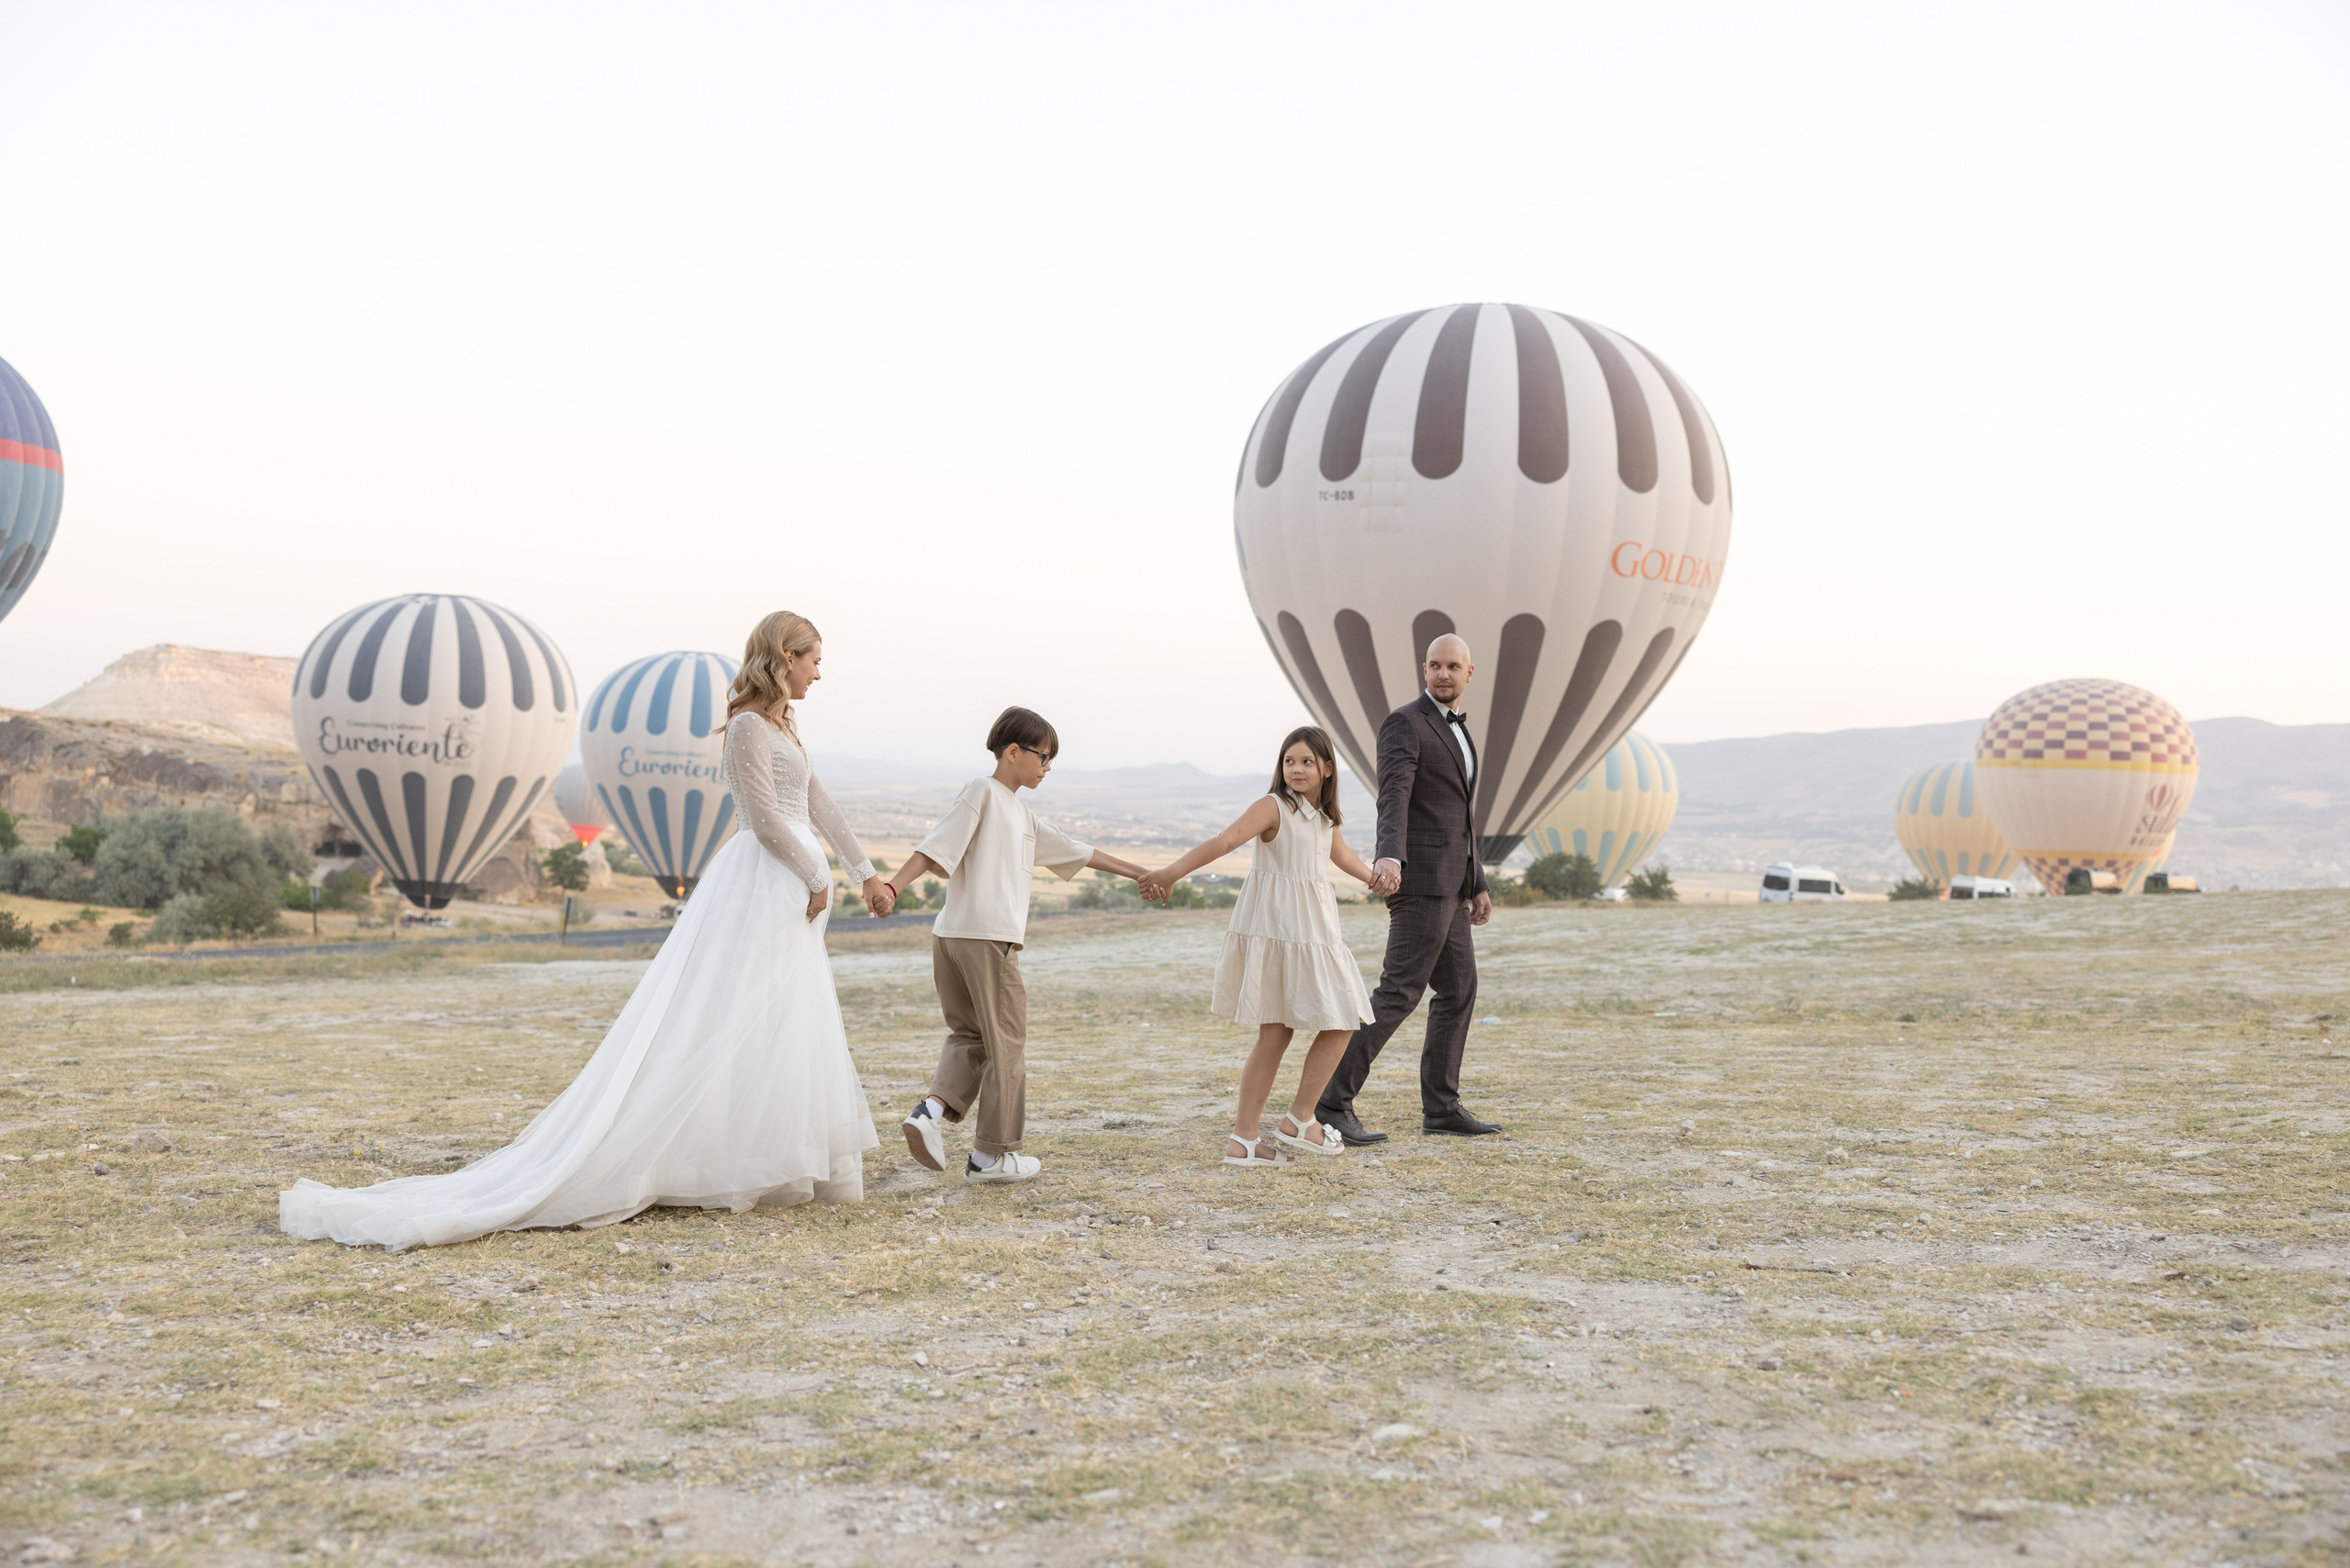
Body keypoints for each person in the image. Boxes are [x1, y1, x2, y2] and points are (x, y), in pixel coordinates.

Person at [280, 611, 895, 1249]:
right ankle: (709, 1156)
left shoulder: (786, 725)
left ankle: (770, 1155)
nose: (819, 673)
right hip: (766, 880)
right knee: (730, 1011)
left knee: (779, 1015)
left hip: (787, 883)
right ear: (786, 655)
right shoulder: (746, 726)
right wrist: (815, 878)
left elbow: (817, 800)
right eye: (814, 659)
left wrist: (863, 871)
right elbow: (765, 818)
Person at [888, 707, 1147, 1184]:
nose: (1047, 768)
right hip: (987, 940)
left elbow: (1082, 852)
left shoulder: (1022, 815)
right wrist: (892, 887)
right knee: (1007, 1044)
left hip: (950, 937)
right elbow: (934, 847)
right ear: (1013, 752)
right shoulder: (984, 791)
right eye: (1044, 757)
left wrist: (1144, 873)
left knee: (972, 1037)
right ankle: (992, 1156)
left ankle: (929, 1111)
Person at [1139, 726, 1376, 1166]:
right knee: (1285, 1028)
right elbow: (1224, 841)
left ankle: (1270, 1131)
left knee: (1334, 1020)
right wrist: (1172, 872)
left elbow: (1340, 857)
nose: (1297, 769)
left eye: (1307, 761)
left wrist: (1377, 880)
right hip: (1279, 929)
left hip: (1314, 930)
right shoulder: (1274, 807)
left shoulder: (1324, 818)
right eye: (1289, 761)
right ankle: (1275, 1129)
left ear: (1327, 768)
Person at [1315, 633, 1501, 1146]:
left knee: (1460, 990)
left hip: (1452, 885)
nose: (1444, 674)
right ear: (1424, 670)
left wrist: (1477, 882)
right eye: (1436, 666)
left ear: (1469, 673)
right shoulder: (1405, 723)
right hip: (1419, 881)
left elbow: (1459, 817)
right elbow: (1393, 794)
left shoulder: (1461, 734)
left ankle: (1441, 1108)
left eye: (1454, 666)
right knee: (1398, 993)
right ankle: (1329, 1103)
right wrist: (1389, 856)